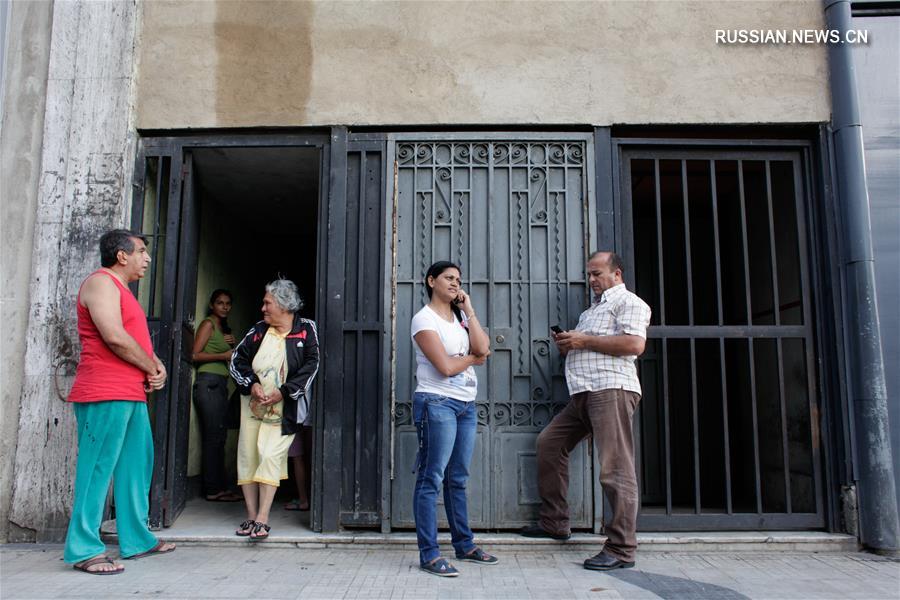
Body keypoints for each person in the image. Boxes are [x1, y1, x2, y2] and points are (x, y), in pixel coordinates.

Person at [520, 251, 651, 572]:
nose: (591, 280)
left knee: (615, 469)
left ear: (617, 274)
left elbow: (634, 344)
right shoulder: (592, 311)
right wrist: (570, 343)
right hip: (583, 393)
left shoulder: (629, 302)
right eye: (589, 274)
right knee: (549, 444)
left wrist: (584, 341)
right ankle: (555, 522)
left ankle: (621, 548)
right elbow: (589, 343)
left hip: (611, 390)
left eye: (597, 274)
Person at [64, 229, 176, 575]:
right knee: (97, 470)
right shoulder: (101, 283)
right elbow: (114, 336)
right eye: (141, 251)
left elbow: (133, 338)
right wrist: (151, 366)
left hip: (130, 392)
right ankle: (84, 549)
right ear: (121, 255)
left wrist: (156, 365)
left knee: (135, 466)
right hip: (104, 390)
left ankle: (137, 539)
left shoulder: (122, 290)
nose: (147, 259)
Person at [411, 261, 496, 577]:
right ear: (431, 281)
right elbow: (445, 368)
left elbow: (484, 346)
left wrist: (469, 310)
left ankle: (465, 545)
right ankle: (429, 554)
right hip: (436, 403)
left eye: (458, 280)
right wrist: (472, 359)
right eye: (448, 278)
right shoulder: (423, 319)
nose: (455, 284)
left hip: (465, 405)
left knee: (457, 478)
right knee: (431, 478)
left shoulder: (460, 318)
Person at [229, 279, 319, 540]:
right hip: (252, 407)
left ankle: (263, 518)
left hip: (284, 409)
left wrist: (285, 391)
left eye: (267, 303)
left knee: (269, 455)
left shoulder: (306, 329)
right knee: (248, 457)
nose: (263, 308)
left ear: (283, 305)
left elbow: (312, 365)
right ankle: (251, 517)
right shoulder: (258, 330)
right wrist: (252, 384)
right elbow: (237, 360)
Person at [191, 289, 241, 502]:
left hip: (219, 384)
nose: (224, 307)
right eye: (220, 303)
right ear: (212, 305)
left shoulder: (222, 329)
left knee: (219, 437)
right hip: (208, 383)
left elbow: (228, 357)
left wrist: (231, 347)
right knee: (213, 437)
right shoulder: (208, 324)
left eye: (228, 303)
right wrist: (223, 354)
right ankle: (213, 489)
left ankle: (219, 487)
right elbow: (194, 354)